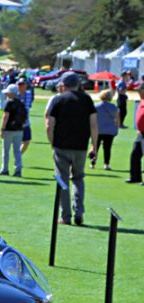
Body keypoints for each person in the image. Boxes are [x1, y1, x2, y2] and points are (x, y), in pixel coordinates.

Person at [45, 71, 97, 225]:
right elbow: (93, 124)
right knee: (79, 178)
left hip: (61, 145)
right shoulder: (87, 99)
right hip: (80, 146)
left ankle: (65, 216)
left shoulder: (58, 99)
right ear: (78, 84)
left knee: (62, 180)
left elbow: (49, 124)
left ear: (63, 84)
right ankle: (79, 211)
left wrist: (52, 142)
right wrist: (94, 146)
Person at [0, 84, 26, 176]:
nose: (7, 94)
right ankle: (18, 169)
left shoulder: (9, 103)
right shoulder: (21, 103)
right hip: (19, 130)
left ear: (12, 93)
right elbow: (25, 117)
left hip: (9, 129)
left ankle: (4, 169)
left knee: (6, 150)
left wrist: (2, 128)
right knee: (17, 151)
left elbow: (6, 116)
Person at [92, 89, 119, 170]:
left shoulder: (96, 106)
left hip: (98, 130)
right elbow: (117, 119)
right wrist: (116, 129)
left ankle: (93, 163)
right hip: (109, 130)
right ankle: (106, 164)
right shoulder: (113, 107)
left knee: (95, 147)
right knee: (107, 148)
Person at [125, 98, 144, 184]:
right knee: (135, 154)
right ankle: (135, 177)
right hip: (141, 133)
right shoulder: (141, 101)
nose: (139, 92)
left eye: (140, 90)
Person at [17, 77, 34, 154]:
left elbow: (28, 106)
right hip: (16, 122)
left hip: (26, 122)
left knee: (26, 141)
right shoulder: (15, 95)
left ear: (26, 85)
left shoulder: (29, 94)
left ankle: (18, 156)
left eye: (23, 84)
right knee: (17, 142)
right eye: (19, 84)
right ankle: (17, 159)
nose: (21, 86)